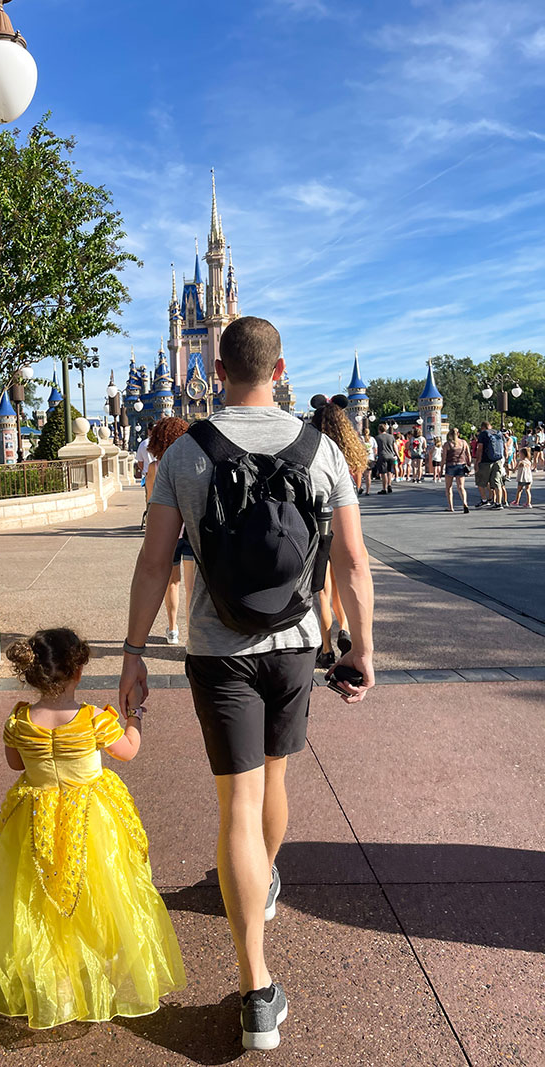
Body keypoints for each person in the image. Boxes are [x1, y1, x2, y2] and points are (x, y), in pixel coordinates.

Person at [119, 316, 374, 1050]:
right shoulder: (322, 448)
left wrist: (135, 650)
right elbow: (352, 562)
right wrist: (363, 649)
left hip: (216, 647)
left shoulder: (187, 453)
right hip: (295, 643)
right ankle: (262, 889)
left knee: (238, 800)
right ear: (280, 366)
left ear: (217, 365)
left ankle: (257, 989)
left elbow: (153, 563)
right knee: (275, 779)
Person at [0, 628, 186, 1028]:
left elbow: (15, 765)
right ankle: (101, 963)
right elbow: (128, 751)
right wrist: (135, 717)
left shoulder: (19, 719)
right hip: (91, 817)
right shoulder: (94, 720)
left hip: (36, 816)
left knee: (39, 898)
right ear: (78, 673)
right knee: (103, 889)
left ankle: (56, 982)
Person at [310, 395, 366, 667]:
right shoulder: (351, 449)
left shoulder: (311, 448)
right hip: (345, 519)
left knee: (322, 587)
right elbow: (355, 485)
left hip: (318, 523)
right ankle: (344, 626)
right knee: (344, 578)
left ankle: (326, 647)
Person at [145, 416, 194, 645]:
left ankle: (173, 629)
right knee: (192, 587)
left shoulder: (155, 468)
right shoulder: (191, 464)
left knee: (172, 583)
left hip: (168, 533)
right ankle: (193, 632)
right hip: (191, 530)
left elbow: (150, 503)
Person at [474, 420, 505, 509]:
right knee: (497, 482)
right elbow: (504, 446)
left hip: (485, 462)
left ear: (483, 427)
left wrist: (477, 462)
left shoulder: (483, 434)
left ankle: (484, 500)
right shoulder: (499, 433)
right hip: (498, 460)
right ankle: (498, 503)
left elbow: (480, 449)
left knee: (480, 482)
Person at [442, 428, 470, 513]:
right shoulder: (463, 443)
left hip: (450, 466)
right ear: (458, 434)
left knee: (448, 487)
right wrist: (468, 464)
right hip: (461, 465)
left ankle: (451, 507)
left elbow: (444, 458)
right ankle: (465, 502)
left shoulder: (447, 444)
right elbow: (468, 454)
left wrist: (440, 469)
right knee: (461, 487)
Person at [375, 422, 398, 494]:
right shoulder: (391, 437)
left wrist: (375, 456)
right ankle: (389, 485)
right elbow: (395, 447)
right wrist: (397, 455)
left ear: (379, 430)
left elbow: (376, 448)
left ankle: (384, 488)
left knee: (383, 472)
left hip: (382, 456)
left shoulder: (377, 437)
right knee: (389, 471)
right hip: (391, 456)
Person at [359, 424, 377, 495]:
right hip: (370, 458)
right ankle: (368, 491)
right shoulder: (372, 439)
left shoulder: (360, 438)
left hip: (362, 458)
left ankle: (360, 487)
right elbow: (375, 449)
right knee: (368, 475)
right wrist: (375, 456)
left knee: (360, 474)